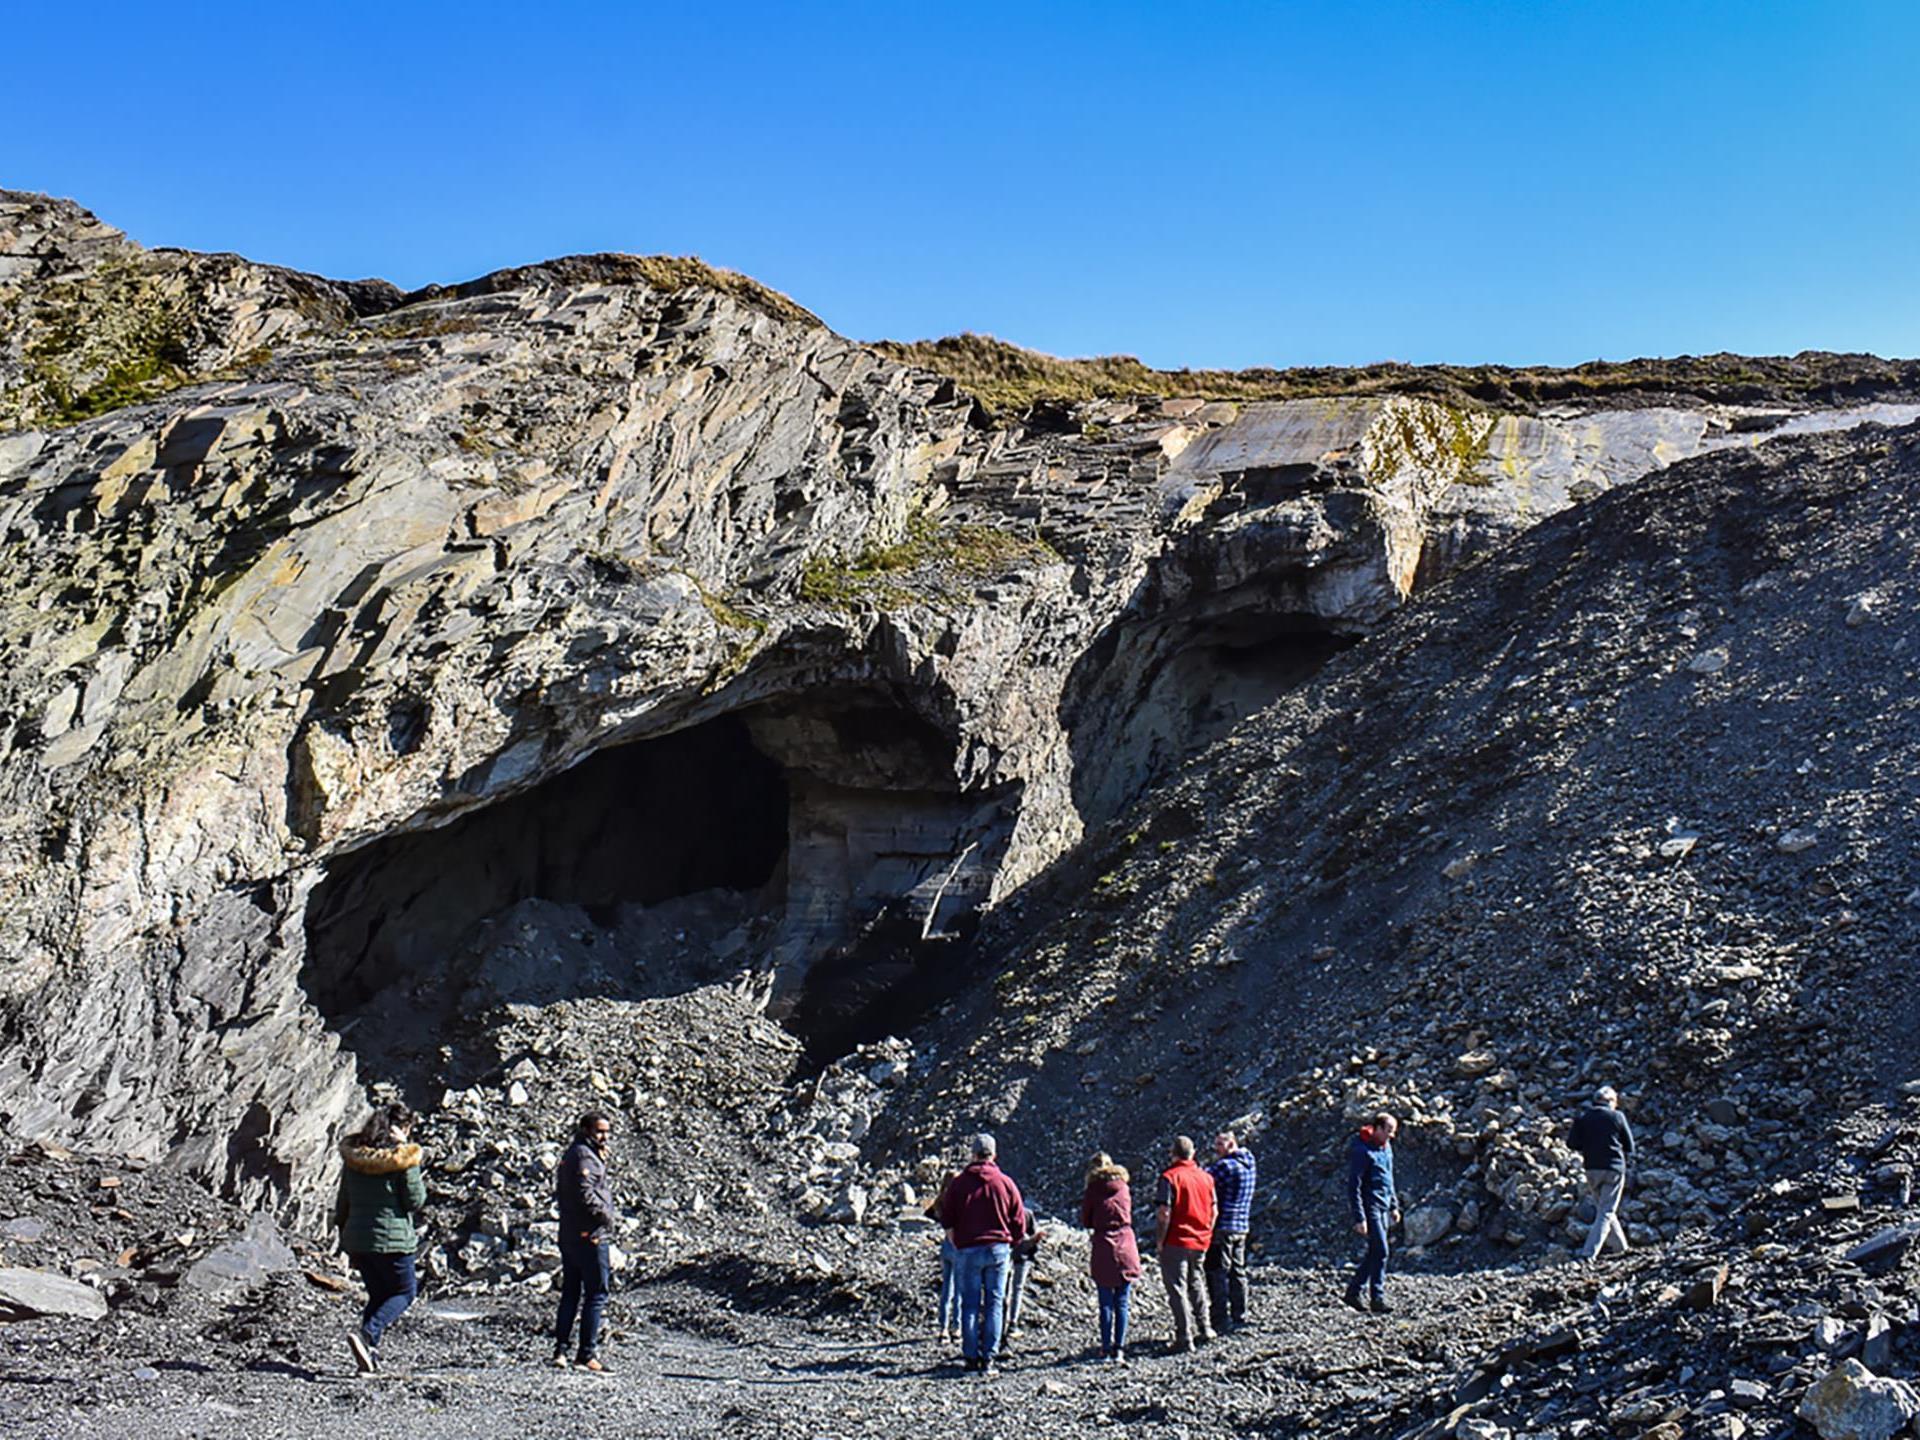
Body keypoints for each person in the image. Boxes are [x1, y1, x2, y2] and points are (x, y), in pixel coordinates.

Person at [334, 1101, 427, 1375]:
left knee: (378, 1295)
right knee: (404, 1292)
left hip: (358, 1239)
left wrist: (345, 1240)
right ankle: (366, 1335)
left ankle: (368, 1356)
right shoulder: (400, 1160)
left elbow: (343, 1203)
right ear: (401, 1128)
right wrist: (410, 1160)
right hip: (392, 1239)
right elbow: (415, 1201)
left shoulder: (355, 1158)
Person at [936, 1133, 1024, 1376]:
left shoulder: (960, 1183)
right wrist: (1013, 1242)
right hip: (997, 1250)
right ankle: (989, 1358)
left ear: (973, 1154)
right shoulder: (1005, 1182)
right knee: (995, 1303)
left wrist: (956, 1241)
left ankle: (971, 1357)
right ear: (993, 1155)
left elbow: (947, 1217)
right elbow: (1018, 1219)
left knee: (970, 1305)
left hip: (968, 1250)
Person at [554, 1111, 618, 1372]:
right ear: (585, 1130)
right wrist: (607, 1218)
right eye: (600, 1131)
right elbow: (586, 1194)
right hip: (589, 1236)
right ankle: (586, 1354)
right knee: (596, 1294)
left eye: (607, 1132)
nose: (604, 1137)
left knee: (571, 1292)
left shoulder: (577, 1152)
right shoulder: (584, 1156)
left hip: (570, 1234)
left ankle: (560, 1350)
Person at [1155, 1135, 1217, 1352]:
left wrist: (1160, 1241)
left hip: (1176, 1240)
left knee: (1177, 1287)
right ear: (1193, 1153)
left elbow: (1164, 1213)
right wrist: (1207, 1231)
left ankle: (1184, 1336)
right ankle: (1205, 1327)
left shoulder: (1169, 1177)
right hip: (1200, 1239)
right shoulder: (1206, 1178)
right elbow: (1214, 1210)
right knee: (1196, 1281)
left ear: (1173, 1154)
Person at [1081, 1152, 1141, 1364]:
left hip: (1103, 1243)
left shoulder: (1093, 1190)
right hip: (1126, 1242)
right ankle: (1120, 1348)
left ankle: (1105, 1348)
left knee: (1105, 1301)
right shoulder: (1124, 1187)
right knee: (1122, 1301)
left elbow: (1086, 1219)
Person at [1343, 1111, 1400, 1314]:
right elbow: (1354, 1186)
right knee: (1382, 1250)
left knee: (1376, 1251)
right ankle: (1377, 1297)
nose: (1391, 1136)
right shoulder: (1362, 1151)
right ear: (1377, 1128)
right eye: (1388, 1131)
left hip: (1384, 1205)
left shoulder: (1386, 1148)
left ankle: (1354, 1292)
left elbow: (1389, 1177)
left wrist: (1394, 1205)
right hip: (1371, 1207)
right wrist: (1360, 1217)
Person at [1569, 1085, 1634, 1262]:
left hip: (1592, 1168)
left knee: (1604, 1210)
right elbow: (1629, 1146)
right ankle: (1588, 1254)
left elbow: (1572, 1144)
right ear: (1612, 1101)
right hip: (1614, 1169)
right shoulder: (1617, 1116)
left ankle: (1622, 1249)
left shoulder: (1582, 1117)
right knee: (1606, 1211)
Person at [1204, 1130, 1256, 1334]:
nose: (1215, 1149)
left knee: (1218, 1272)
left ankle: (1220, 1318)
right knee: (1238, 1270)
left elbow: (1204, 1177)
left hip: (1223, 1226)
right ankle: (1239, 1314)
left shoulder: (1226, 1167)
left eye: (1219, 1144)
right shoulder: (1250, 1163)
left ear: (1231, 1144)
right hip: (1242, 1226)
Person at [925, 1166, 963, 1341]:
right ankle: (956, 1326)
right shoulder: (959, 1200)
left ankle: (943, 1328)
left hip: (946, 1246)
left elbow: (930, 1214)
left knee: (947, 1288)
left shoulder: (941, 1201)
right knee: (959, 1289)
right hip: (958, 1245)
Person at [998, 1204, 1041, 1357]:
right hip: (1023, 1257)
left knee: (1005, 1291)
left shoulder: (1003, 1212)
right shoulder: (1027, 1213)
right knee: (1017, 1289)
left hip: (1007, 1255)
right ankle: (1012, 1323)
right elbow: (1034, 1235)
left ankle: (1002, 1325)